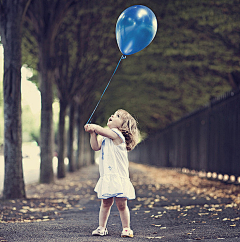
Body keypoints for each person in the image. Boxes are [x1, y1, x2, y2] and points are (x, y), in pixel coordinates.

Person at [84, 109, 139, 238]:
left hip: (118, 176)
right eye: (113, 114)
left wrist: (95, 127)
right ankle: (101, 227)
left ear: (123, 125)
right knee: (105, 203)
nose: (112, 115)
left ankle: (126, 228)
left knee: (121, 204)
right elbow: (95, 147)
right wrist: (92, 134)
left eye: (118, 116)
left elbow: (103, 131)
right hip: (107, 176)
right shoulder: (105, 136)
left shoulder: (117, 135)